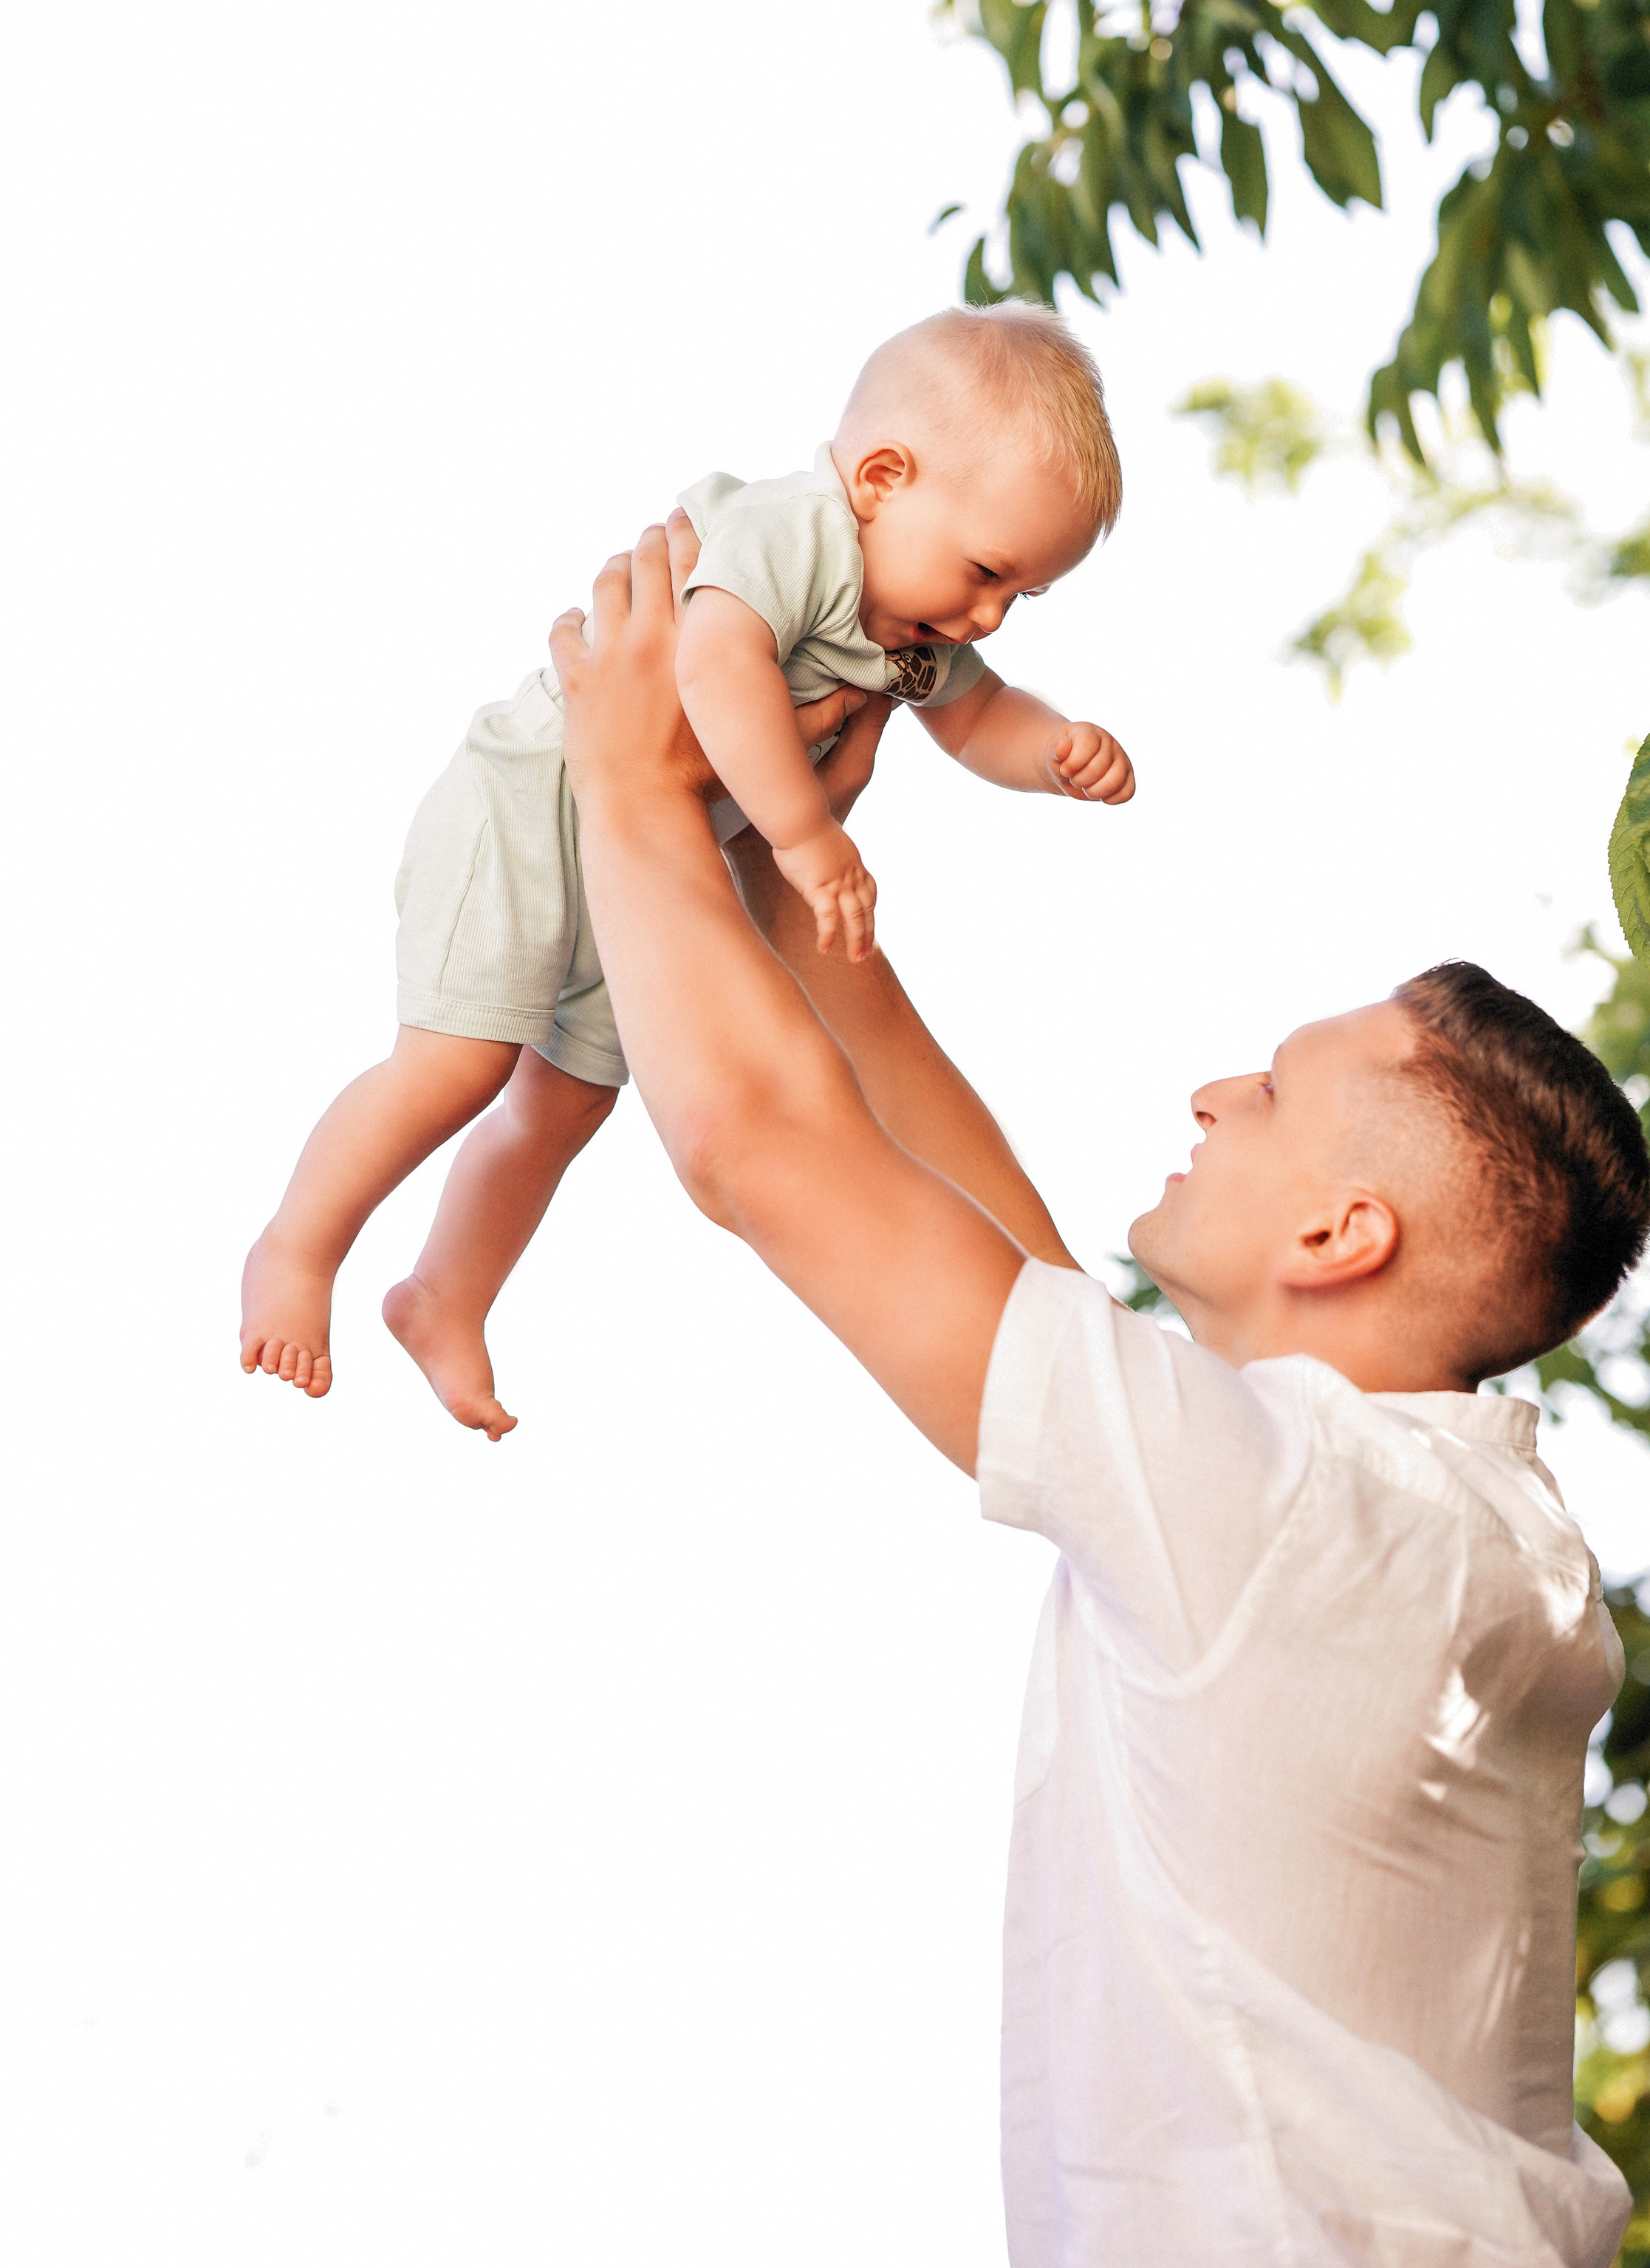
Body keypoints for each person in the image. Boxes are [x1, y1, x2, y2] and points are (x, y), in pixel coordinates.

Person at [546, 522, 1650, 2268]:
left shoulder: (1292, 1509)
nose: (1215, 1088)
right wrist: (766, 845)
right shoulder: (1417, 1523)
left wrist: (617, 782)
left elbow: (761, 1148)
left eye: (1274, 1092)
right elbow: (966, 1225)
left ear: (1340, 1231)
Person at [238, 304, 1134, 1439]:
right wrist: (810, 840)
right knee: (458, 1063)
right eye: (988, 573)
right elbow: (714, 668)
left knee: (566, 1104)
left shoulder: (924, 628)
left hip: (649, 870)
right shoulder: (793, 533)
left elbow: (979, 720)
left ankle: (445, 1295)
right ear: (882, 477)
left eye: (1023, 598)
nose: (989, 614)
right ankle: (297, 1246)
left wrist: (1051, 750)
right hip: (534, 804)